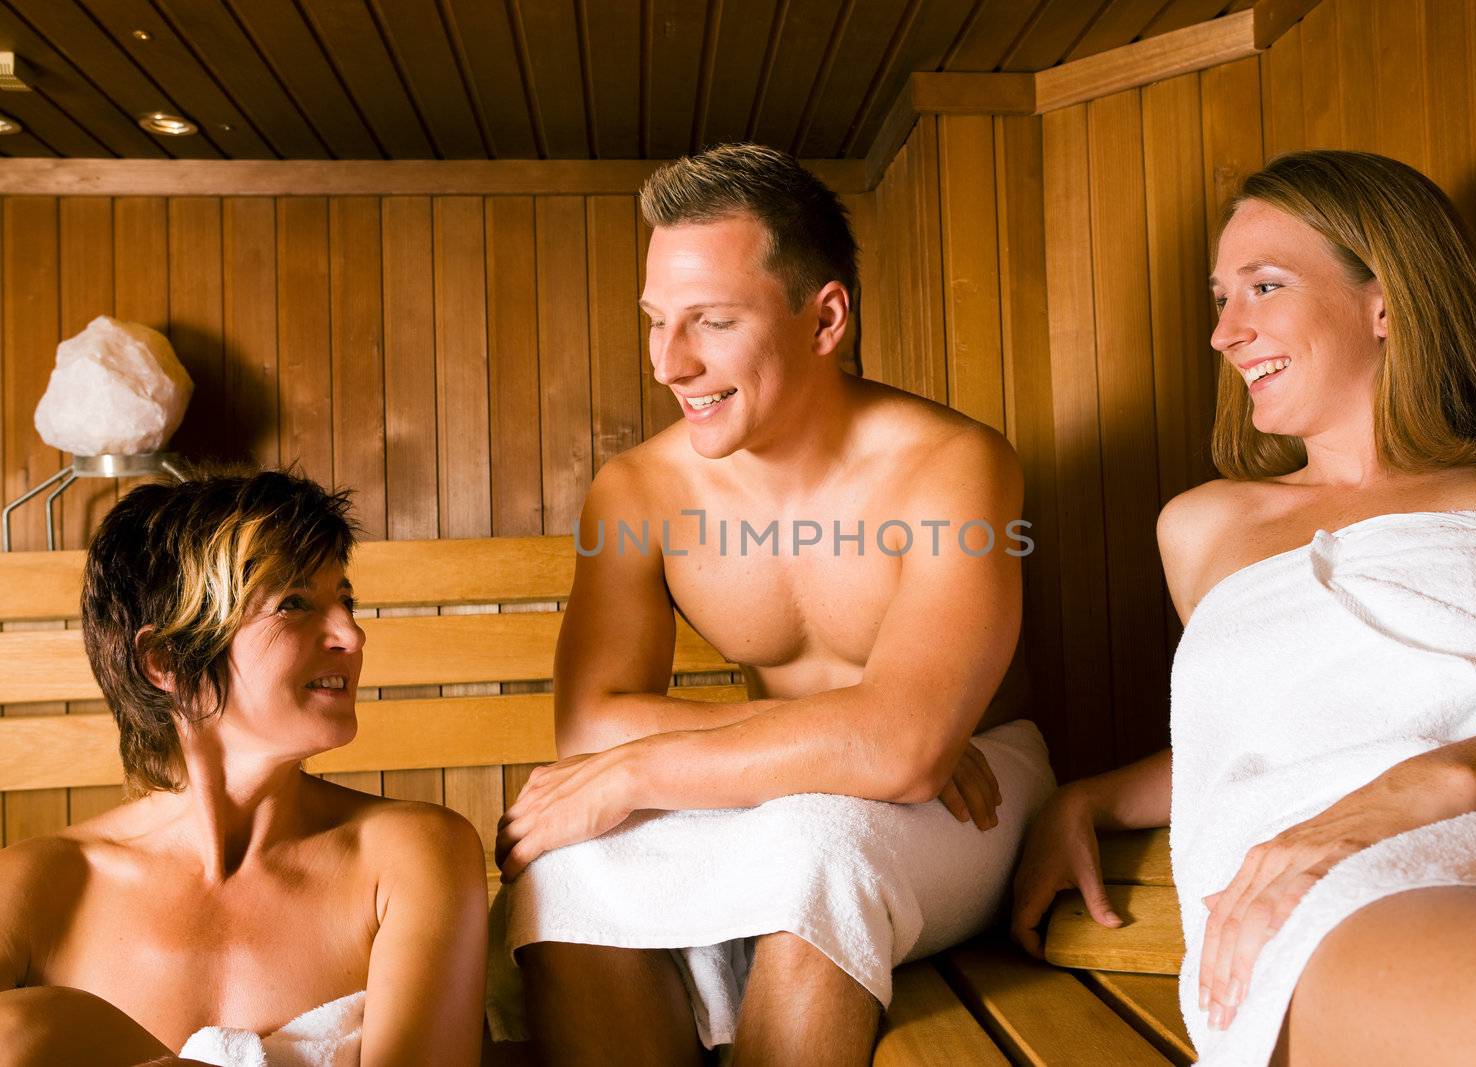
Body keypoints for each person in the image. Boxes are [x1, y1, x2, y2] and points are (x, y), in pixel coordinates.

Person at [1012, 149, 1476, 1066]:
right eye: (1220, 298)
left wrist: (1424, 785)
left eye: (1264, 286)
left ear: (1386, 300)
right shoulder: (1203, 526)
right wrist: (1088, 796)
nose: (1225, 332)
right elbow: (1266, 728)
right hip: (1317, 880)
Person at [491, 143, 1056, 1065]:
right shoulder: (637, 491)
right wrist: (851, 738)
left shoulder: (951, 464)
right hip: (772, 783)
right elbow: (591, 726)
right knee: (564, 869)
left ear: (824, 317)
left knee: (816, 846)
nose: (670, 363)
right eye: (656, 320)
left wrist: (642, 770)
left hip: (982, 785)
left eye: (711, 322)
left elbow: (912, 750)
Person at [0, 470, 487, 1067]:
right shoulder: (38, 888)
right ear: (166, 661)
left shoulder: (407, 856)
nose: (351, 635)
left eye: (346, 600)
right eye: (295, 603)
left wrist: (77, 1033)